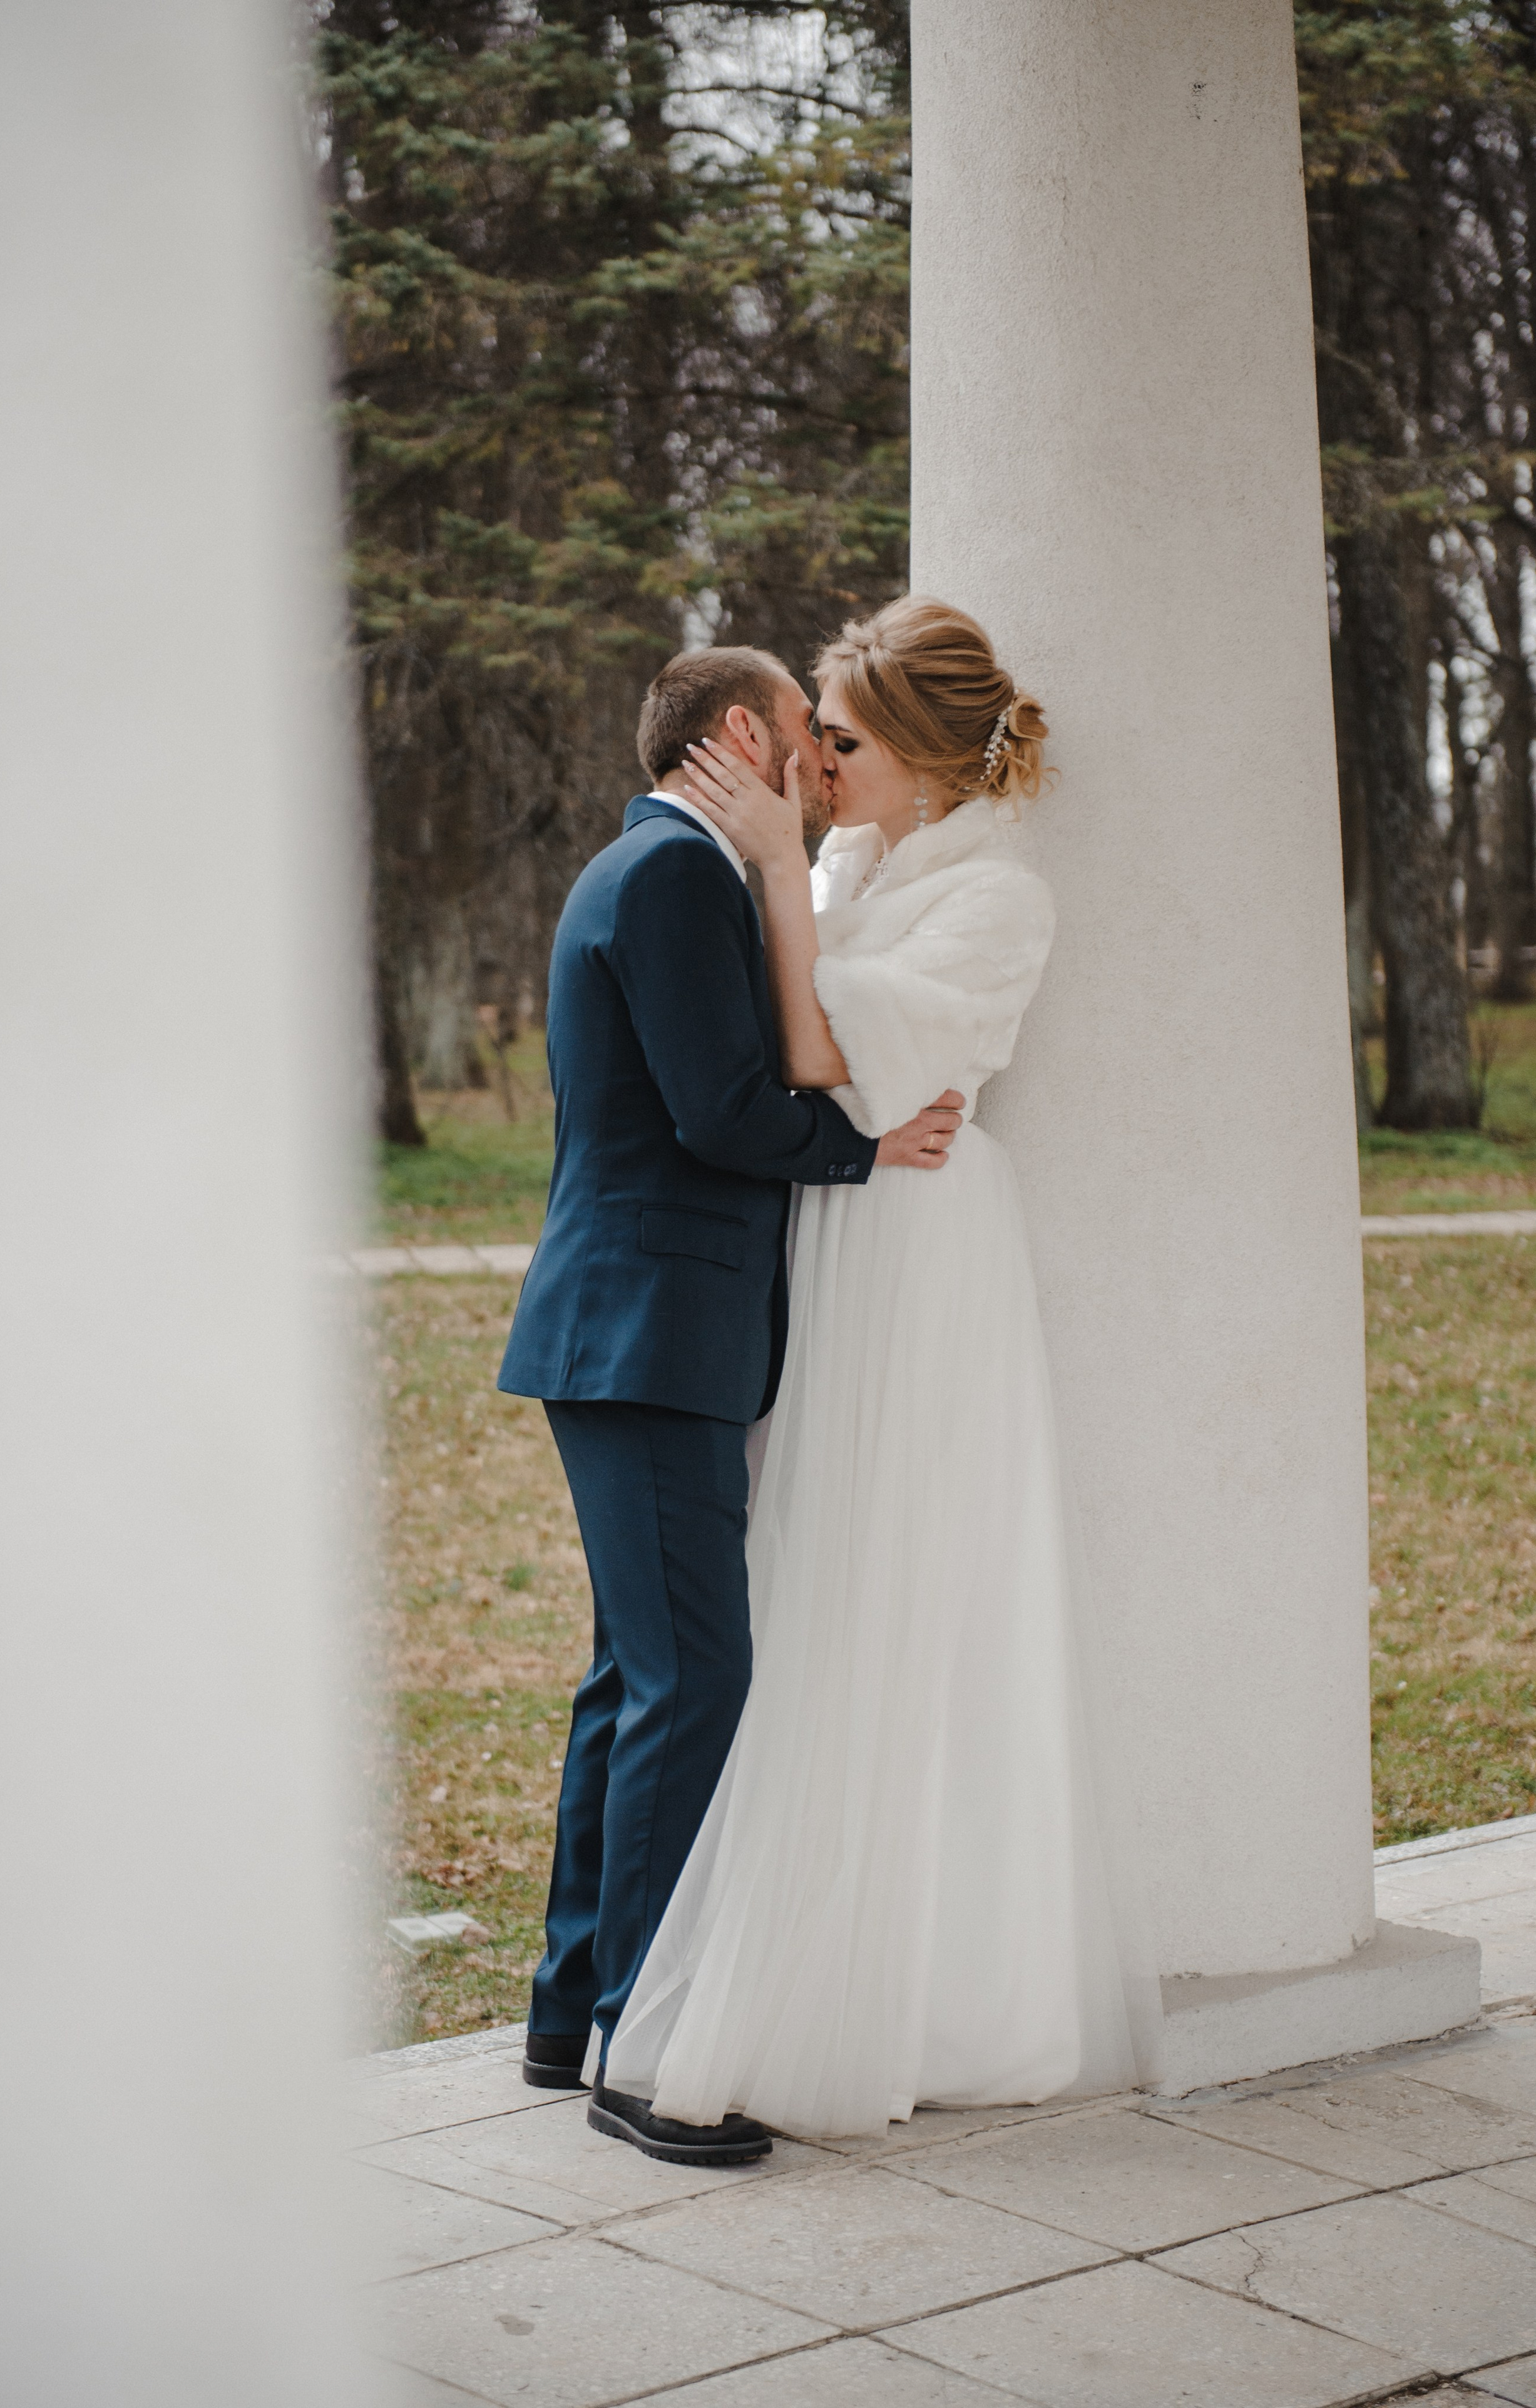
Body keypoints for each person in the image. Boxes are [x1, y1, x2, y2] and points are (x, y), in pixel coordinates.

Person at [604, 596, 1163, 2142]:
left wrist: (779, 873)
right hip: (840, 1226)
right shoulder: (860, 862)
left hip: (919, 1245)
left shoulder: (998, 897)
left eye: (838, 740)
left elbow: (816, 1052)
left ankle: (927, 1980)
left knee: (905, 1578)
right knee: (804, 1571)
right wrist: (801, 873)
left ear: (916, 754)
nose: (814, 762)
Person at [496, 643, 965, 2166]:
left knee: (632, 1678)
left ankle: (572, 2012)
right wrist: (867, 1144)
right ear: (747, 735)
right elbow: (719, 1108)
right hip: (648, 1331)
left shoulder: (661, 869)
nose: (822, 773)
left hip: (635, 1331)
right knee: (692, 1678)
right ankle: (648, 2048)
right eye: (806, 744)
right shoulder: (675, 880)